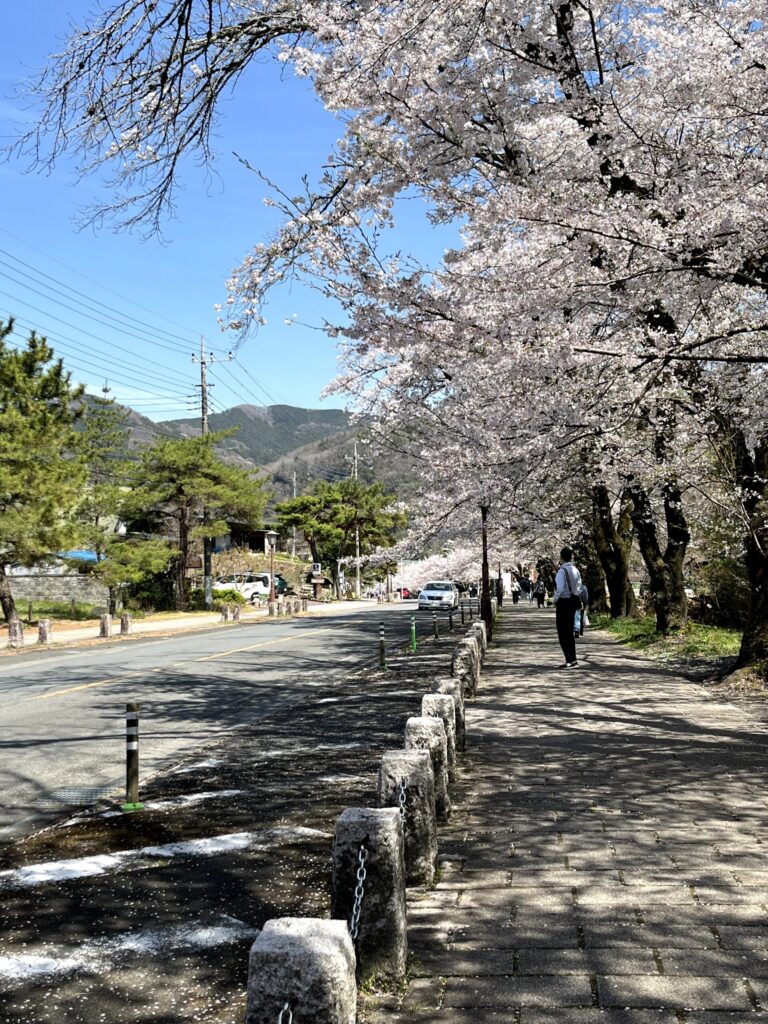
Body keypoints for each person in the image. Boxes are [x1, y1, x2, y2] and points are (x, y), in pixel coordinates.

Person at [554, 546, 583, 668]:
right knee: (569, 632)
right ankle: (573, 659)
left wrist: (555, 599)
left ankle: (568, 660)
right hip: (573, 601)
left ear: (561, 557)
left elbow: (559, 588)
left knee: (562, 632)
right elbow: (579, 586)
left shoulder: (561, 571)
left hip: (563, 602)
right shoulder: (576, 570)